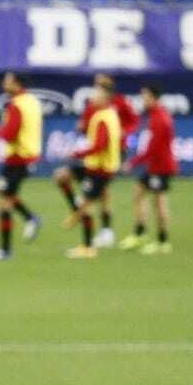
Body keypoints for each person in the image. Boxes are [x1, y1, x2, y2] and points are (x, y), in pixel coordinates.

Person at [0, 70, 42, 263]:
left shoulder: (16, 105)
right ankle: (30, 218)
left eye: (7, 81)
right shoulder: (31, 101)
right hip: (26, 155)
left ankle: (5, 251)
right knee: (2, 192)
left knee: (4, 203)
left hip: (19, 158)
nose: (3, 84)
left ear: (16, 84)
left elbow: (10, 133)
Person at [60, 80, 121, 259]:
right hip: (97, 166)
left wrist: (77, 153)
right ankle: (79, 219)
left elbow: (100, 145)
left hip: (100, 168)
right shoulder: (104, 114)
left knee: (87, 207)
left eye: (97, 94)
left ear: (105, 97)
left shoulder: (104, 117)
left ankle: (88, 247)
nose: (92, 96)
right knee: (65, 180)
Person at [120, 83, 177, 255]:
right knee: (138, 194)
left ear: (153, 98)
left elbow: (154, 148)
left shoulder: (160, 118)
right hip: (154, 166)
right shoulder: (154, 115)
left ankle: (162, 241)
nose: (142, 100)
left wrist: (133, 162)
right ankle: (140, 232)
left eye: (145, 96)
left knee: (159, 203)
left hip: (161, 167)